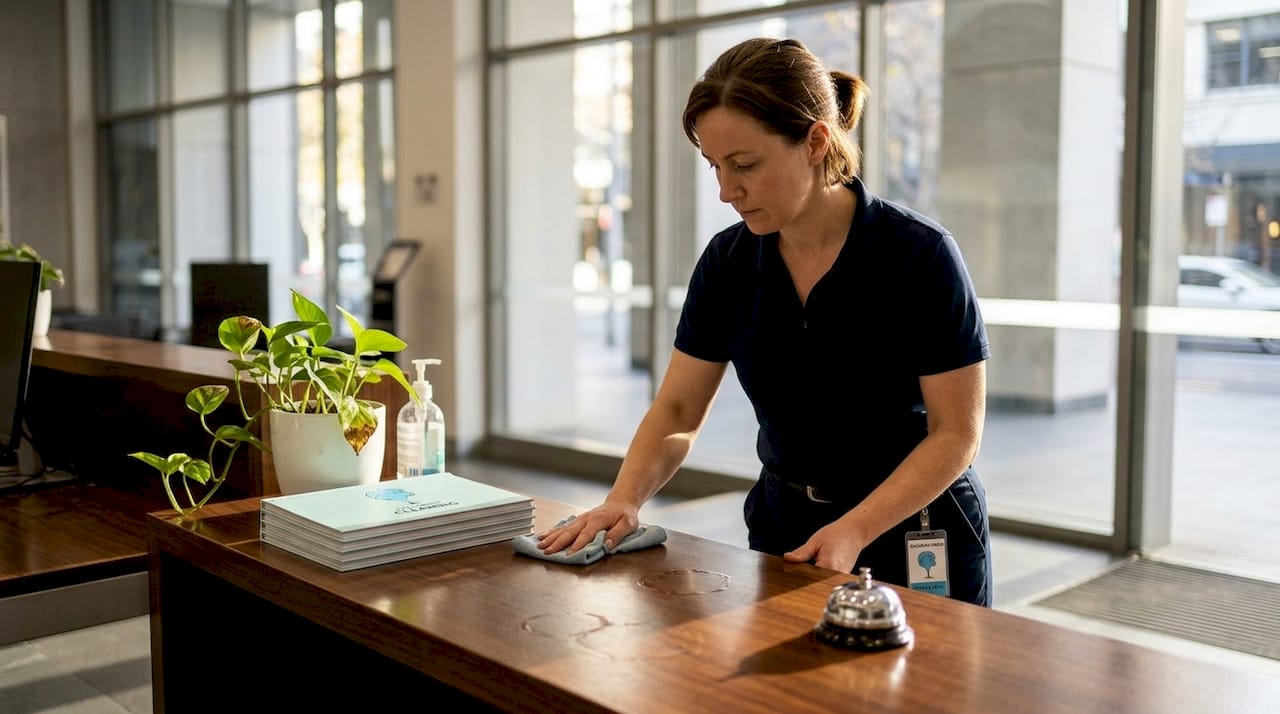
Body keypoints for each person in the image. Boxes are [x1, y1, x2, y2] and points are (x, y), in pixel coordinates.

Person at [537, 37, 993, 606]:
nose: (728, 191)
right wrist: (624, 499)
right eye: (715, 167)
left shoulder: (919, 255)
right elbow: (679, 409)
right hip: (786, 525)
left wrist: (854, 528)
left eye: (745, 165)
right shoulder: (729, 262)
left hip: (915, 530)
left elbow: (955, 433)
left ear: (815, 141)